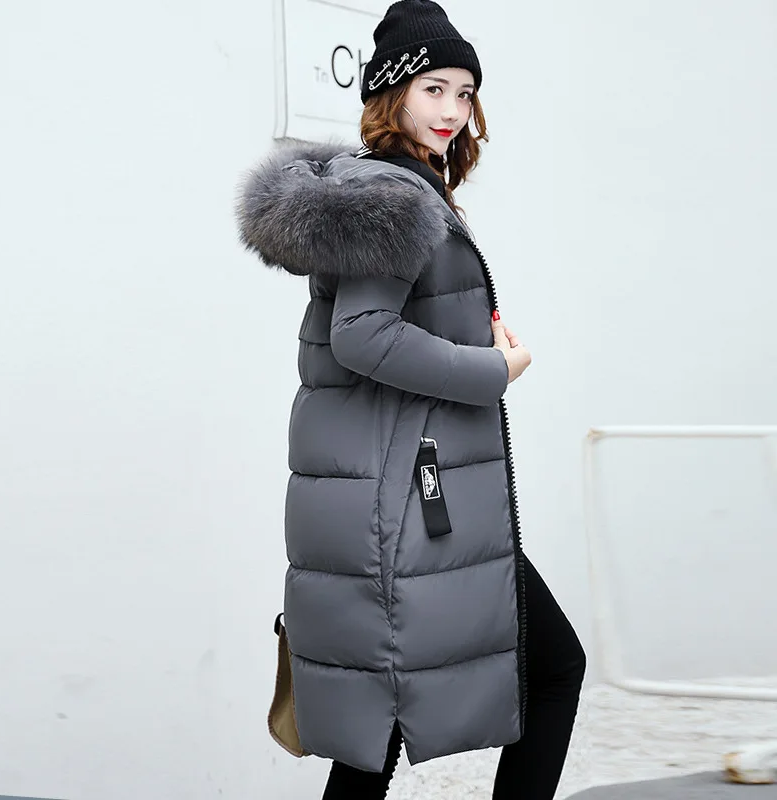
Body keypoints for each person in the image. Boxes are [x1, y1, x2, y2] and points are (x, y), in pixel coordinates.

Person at [235, 1, 586, 797]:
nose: (453, 111)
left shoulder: (389, 189)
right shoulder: (395, 197)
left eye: (465, 93)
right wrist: (495, 369)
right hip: (404, 507)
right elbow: (362, 336)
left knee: (375, 730)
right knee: (551, 667)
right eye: (435, 89)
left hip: (388, 496)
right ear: (390, 95)